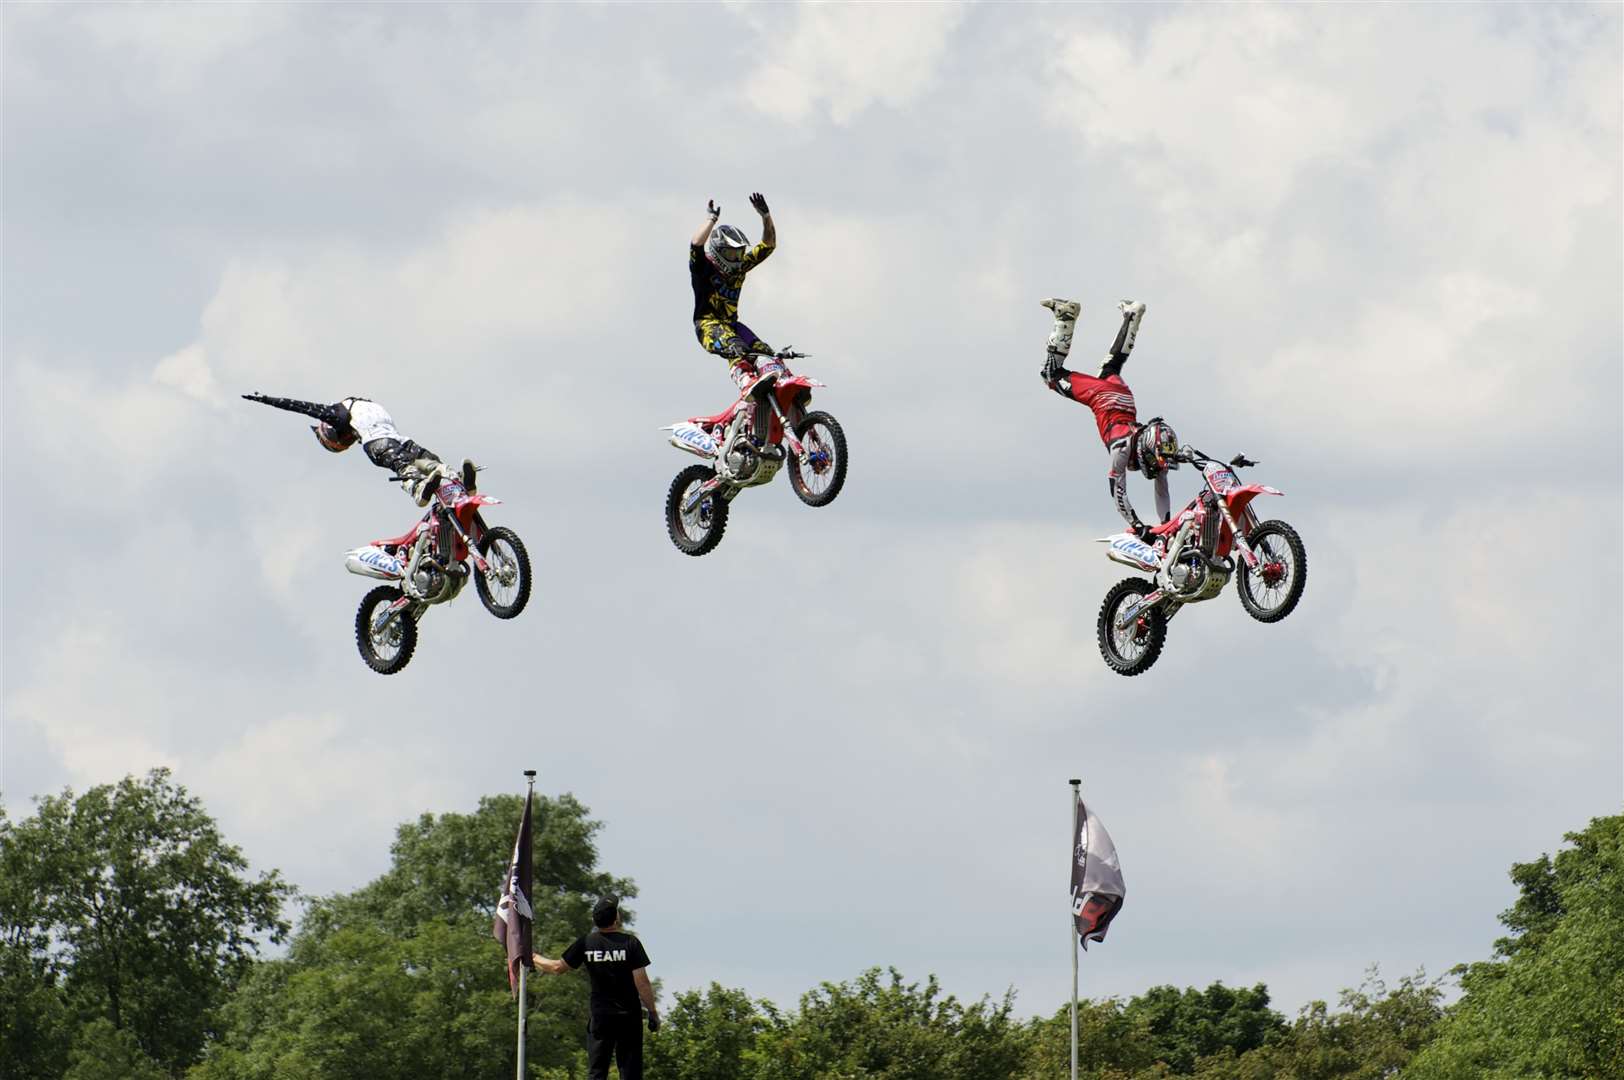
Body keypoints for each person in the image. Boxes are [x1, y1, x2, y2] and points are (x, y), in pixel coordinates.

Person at [1038, 298, 1181, 543]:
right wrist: (1136, 525)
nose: (1157, 468)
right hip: (1103, 397)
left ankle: (1132, 316)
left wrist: (1166, 526)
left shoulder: (1154, 450)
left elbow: (1162, 485)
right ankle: (1065, 317)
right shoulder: (1121, 448)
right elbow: (1117, 490)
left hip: (1125, 401)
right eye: (1155, 463)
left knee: (1112, 366)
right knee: (1051, 375)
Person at [242, 393, 458, 507]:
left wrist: (266, 399)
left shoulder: (336, 414)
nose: (348, 440)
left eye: (343, 442)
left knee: (405, 462)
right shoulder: (360, 406)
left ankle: (428, 482)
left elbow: (299, 406)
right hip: (394, 438)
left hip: (382, 440)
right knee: (418, 459)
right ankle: (444, 476)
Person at [532, 896, 659, 1080]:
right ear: (615, 918)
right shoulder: (630, 943)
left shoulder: (586, 943)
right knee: (631, 1072)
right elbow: (642, 982)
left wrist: (532, 956)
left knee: (597, 1072)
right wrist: (652, 1012)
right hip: (629, 1018)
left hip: (601, 1017)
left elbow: (557, 968)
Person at [690, 193, 778, 392]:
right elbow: (696, 244)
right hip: (708, 325)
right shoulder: (703, 268)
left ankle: (782, 388)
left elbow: (768, 246)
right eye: (732, 253)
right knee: (735, 346)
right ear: (718, 250)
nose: (738, 257)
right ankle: (745, 381)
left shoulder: (739, 267)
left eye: (739, 252)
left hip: (733, 324)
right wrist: (711, 219)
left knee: (765, 352)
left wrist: (766, 216)